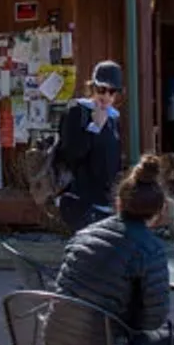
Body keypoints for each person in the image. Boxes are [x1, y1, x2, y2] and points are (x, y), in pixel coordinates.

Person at [49, 155, 174, 345]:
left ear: (119, 201)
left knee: (122, 340)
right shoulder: (150, 248)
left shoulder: (83, 235)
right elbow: (154, 319)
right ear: (160, 210)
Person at [56, 60, 124, 232]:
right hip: (81, 200)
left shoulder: (114, 119)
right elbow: (70, 154)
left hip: (106, 201)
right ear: (93, 88)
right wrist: (94, 128)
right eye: (102, 89)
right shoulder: (77, 111)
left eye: (112, 91)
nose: (106, 96)